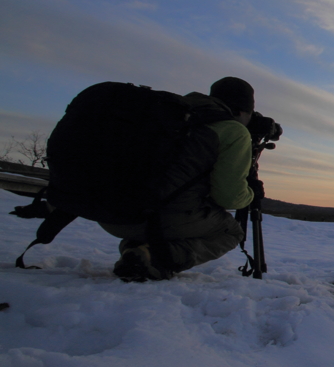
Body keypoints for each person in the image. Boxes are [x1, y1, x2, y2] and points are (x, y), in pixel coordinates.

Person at [102, 77, 258, 282]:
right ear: (242, 111)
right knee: (231, 231)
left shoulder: (167, 115)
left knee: (159, 211)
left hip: (110, 214)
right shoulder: (233, 130)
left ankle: (138, 252)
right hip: (159, 220)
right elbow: (229, 197)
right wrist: (251, 193)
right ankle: (157, 258)